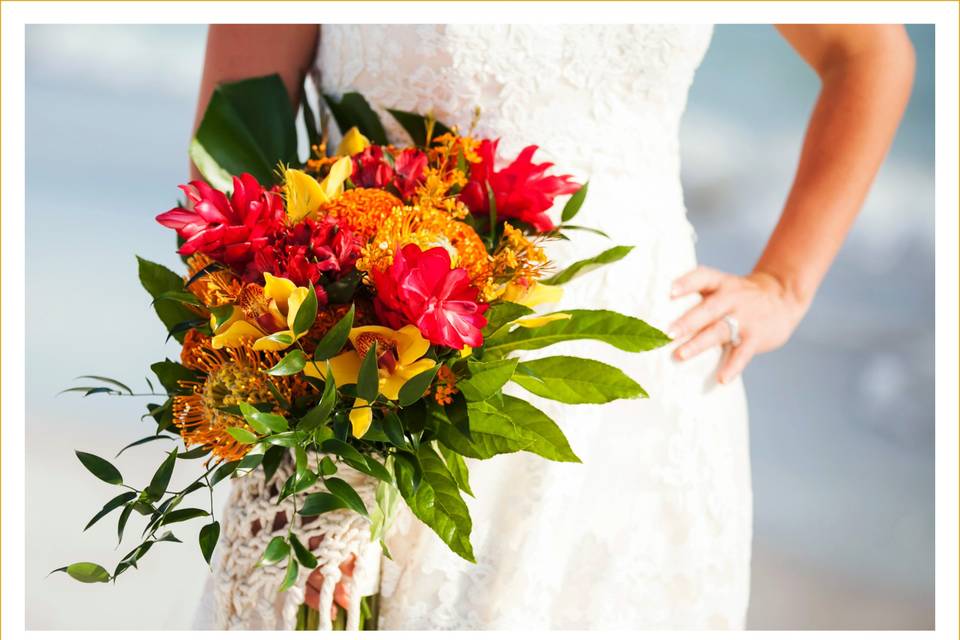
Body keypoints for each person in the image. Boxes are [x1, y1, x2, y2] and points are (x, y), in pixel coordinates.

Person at [191, 24, 914, 630]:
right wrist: (317, 450)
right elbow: (231, 172)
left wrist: (784, 283)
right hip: (380, 396)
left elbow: (870, 52)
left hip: (641, 404)